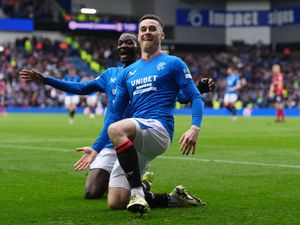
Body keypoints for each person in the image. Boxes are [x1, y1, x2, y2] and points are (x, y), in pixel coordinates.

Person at [73, 14, 205, 215]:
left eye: (152, 28)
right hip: (135, 139)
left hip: (159, 129)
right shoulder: (128, 73)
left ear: (161, 34)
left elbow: (195, 96)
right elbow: (115, 113)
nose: (147, 32)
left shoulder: (173, 63)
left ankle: (136, 191)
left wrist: (195, 126)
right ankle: (172, 199)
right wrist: (96, 148)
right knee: (116, 201)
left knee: (116, 129)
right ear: (139, 35)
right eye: (143, 29)